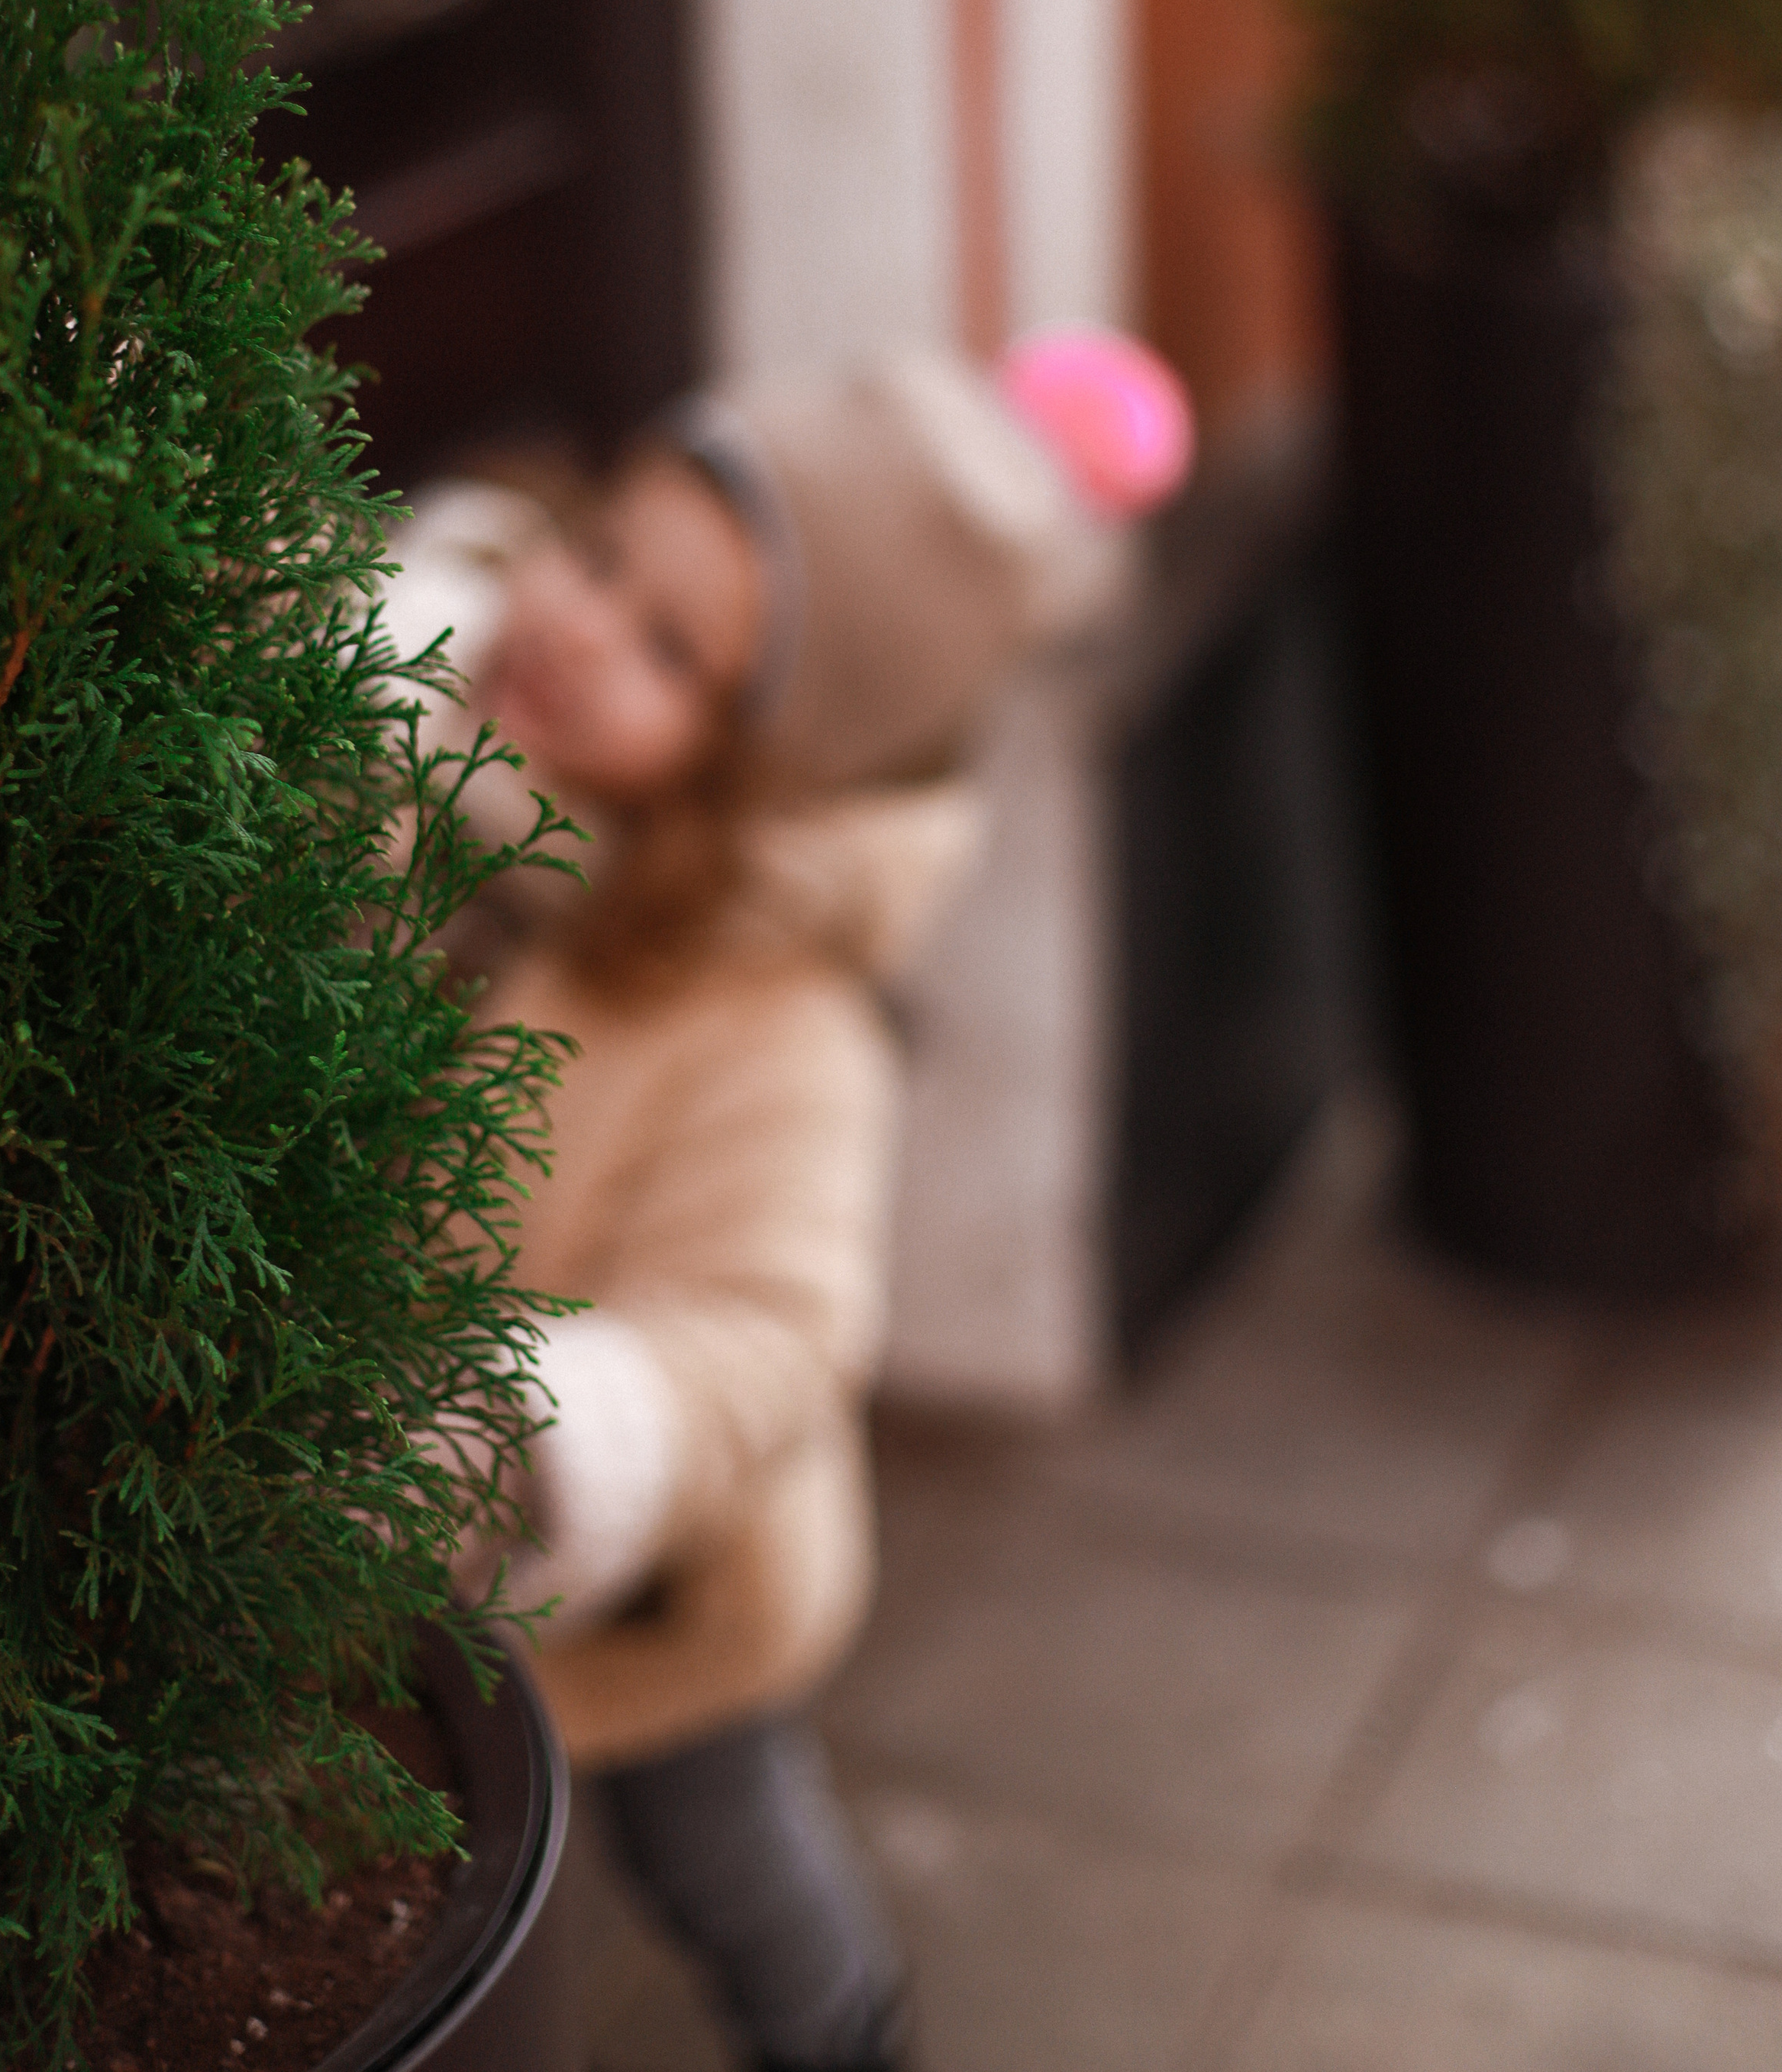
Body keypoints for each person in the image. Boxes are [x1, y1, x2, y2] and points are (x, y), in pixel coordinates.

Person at [382, 334, 1193, 2072]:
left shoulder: (775, 1022)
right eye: (599, 554)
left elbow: (768, 1332)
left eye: (670, 648)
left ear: (770, 768)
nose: (579, 625)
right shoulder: (423, 755)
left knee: (724, 1852)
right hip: (379, 1527)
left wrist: (526, 1430)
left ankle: (844, 2035)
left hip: (655, 1561)